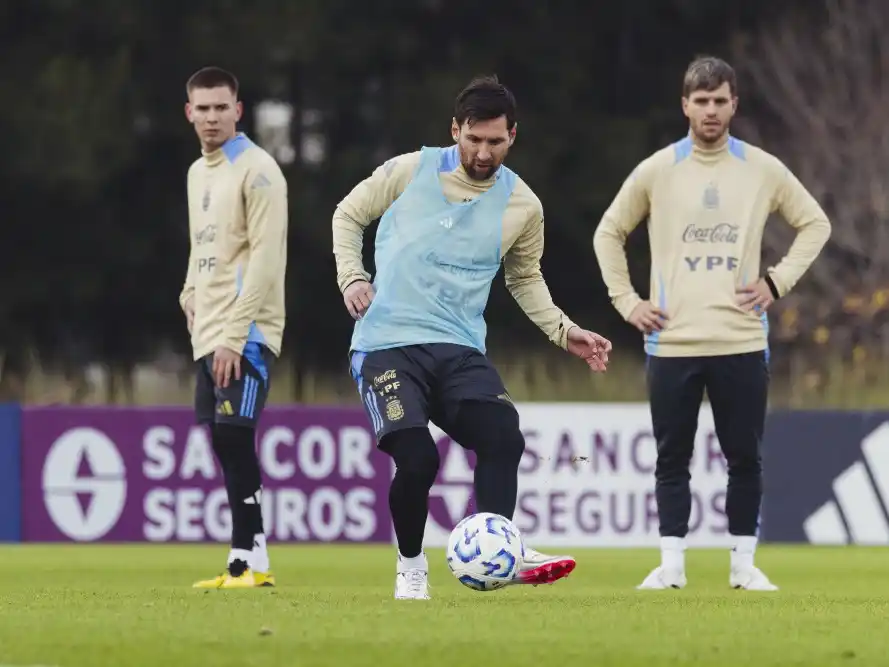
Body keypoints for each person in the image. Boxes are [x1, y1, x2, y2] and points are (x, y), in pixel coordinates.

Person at [332, 75, 612, 600]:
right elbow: (348, 213)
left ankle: (499, 548)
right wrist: (352, 275)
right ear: (454, 130)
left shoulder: (523, 206)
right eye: (473, 139)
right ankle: (412, 570)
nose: (483, 153)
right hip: (387, 343)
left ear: (513, 136)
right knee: (418, 461)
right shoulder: (409, 169)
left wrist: (565, 331)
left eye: (495, 142)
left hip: (459, 348)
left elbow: (524, 278)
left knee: (503, 436)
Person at [593, 56, 831, 591]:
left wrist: (776, 282)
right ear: (685, 105)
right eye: (701, 101)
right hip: (671, 341)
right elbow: (608, 233)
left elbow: (816, 223)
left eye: (720, 100)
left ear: (734, 105)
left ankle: (743, 566)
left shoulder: (762, 170)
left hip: (741, 339)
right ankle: (672, 565)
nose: (710, 111)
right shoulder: (657, 170)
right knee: (671, 458)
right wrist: (628, 301)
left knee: (744, 458)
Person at [179, 66, 289, 589]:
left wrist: (234, 335)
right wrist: (188, 291)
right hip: (210, 328)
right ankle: (251, 559)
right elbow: (204, 245)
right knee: (223, 442)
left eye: (221, 107)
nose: (211, 117)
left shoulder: (259, 170)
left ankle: (246, 559)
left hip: (245, 333)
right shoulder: (198, 172)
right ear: (189, 112)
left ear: (238, 110)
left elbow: (266, 260)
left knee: (235, 437)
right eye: (202, 108)